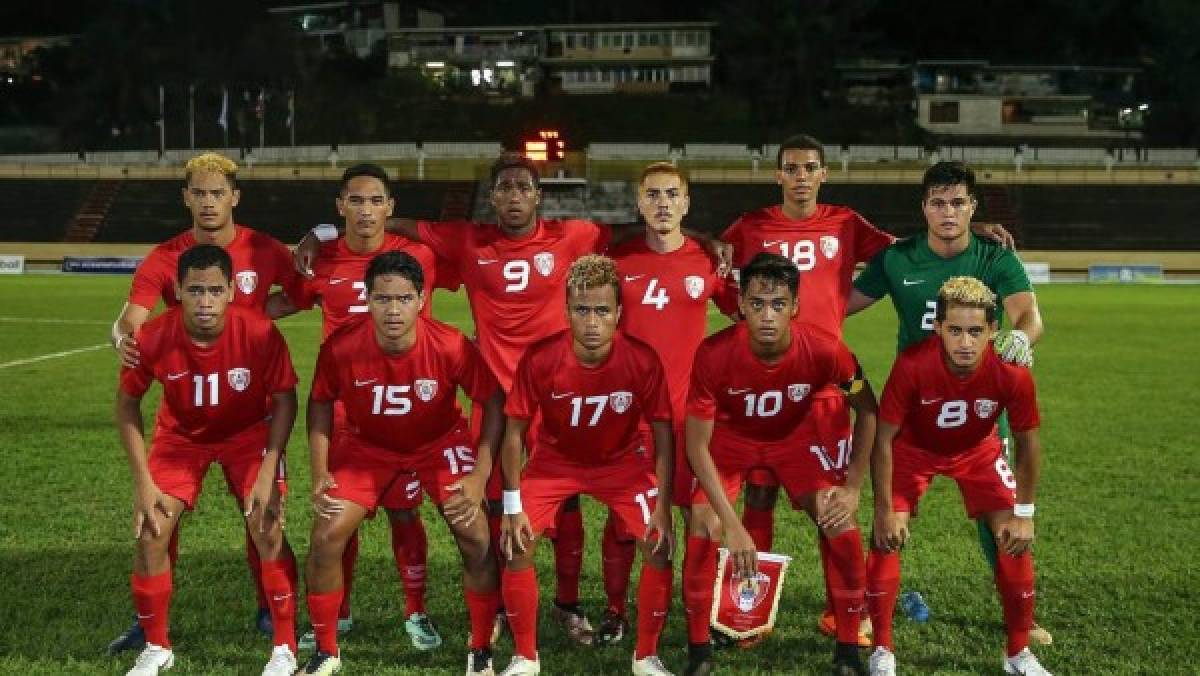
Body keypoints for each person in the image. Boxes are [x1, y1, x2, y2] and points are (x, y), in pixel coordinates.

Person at [295, 153, 729, 643]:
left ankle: (568, 605)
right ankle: (501, 606)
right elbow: (389, 223)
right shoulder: (467, 239)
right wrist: (322, 232)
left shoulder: (574, 235)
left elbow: (642, 227)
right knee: (501, 508)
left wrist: (706, 240)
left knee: (565, 509)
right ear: (493, 196)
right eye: (505, 188)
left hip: (558, 396)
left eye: (524, 187)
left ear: (537, 195)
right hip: (497, 401)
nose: (515, 196)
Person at [720, 135, 1012, 641]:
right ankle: (750, 614)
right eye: (792, 168)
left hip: (826, 382)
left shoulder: (846, 222)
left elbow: (905, 249)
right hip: (762, 375)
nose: (801, 176)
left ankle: (841, 615)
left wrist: (968, 228)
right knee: (760, 492)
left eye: (811, 167)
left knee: (830, 503)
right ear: (778, 175)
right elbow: (718, 266)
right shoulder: (750, 226)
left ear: (824, 174)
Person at [847, 160, 1051, 646]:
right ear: (924, 208)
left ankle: (1020, 615)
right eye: (938, 202)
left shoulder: (993, 255)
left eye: (958, 203)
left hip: (978, 412)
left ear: (973, 207)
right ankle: (874, 610)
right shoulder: (899, 259)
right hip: (911, 413)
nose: (948, 211)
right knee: (888, 514)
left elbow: (1028, 316)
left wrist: (1022, 340)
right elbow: (839, 305)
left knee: (997, 515)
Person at [107, 152, 302, 654]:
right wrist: (125, 335)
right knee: (158, 518)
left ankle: (271, 608)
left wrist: (254, 321)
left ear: (235, 196)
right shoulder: (163, 257)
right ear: (186, 197)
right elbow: (132, 318)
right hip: (185, 409)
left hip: (249, 407)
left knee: (260, 513)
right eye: (199, 192)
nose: (209, 201)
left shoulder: (265, 248)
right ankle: (146, 620)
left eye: (218, 192)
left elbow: (301, 295)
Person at [299, 251, 505, 676]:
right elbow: (319, 402)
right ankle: (325, 650)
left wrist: (480, 473)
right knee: (325, 538)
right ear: (367, 299)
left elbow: (493, 400)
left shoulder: (449, 345)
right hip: (366, 448)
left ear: (421, 298)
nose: (393, 310)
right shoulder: (341, 348)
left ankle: (481, 648)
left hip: (439, 443)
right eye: (382, 299)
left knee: (477, 537)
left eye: (404, 299)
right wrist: (320, 471)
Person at [265, 163, 443, 652]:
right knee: (337, 520)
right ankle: (337, 614)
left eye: (375, 201)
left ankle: (416, 612)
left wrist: (315, 232)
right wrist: (214, 319)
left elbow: (469, 247)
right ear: (340, 206)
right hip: (345, 417)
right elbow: (284, 304)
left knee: (404, 515)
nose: (366, 211)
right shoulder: (320, 262)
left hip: (408, 415)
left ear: (391, 207)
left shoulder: (419, 256)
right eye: (355, 201)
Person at [683, 253, 880, 676]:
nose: (767, 315)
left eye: (777, 304)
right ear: (741, 306)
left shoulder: (826, 351)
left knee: (839, 523)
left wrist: (852, 487)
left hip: (794, 440)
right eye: (757, 304)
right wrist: (731, 525)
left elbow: (868, 410)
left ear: (794, 306)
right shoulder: (714, 354)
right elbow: (697, 445)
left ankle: (848, 650)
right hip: (731, 443)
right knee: (704, 526)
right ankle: (699, 651)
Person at [497, 255, 676, 676]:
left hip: (622, 463)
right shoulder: (541, 359)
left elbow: (664, 436)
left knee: (661, 545)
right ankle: (525, 657)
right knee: (516, 543)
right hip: (555, 462)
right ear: (566, 312)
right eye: (581, 310)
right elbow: (513, 433)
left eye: (601, 311)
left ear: (618, 313)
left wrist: (664, 506)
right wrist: (511, 505)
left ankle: (646, 656)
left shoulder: (642, 360)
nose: (592, 322)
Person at [865, 276, 1052, 676]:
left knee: (1012, 538)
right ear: (938, 329)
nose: (964, 343)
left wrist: (1024, 511)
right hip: (913, 452)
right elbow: (882, 440)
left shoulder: (1012, 372)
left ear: (993, 330)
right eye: (954, 331)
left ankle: (1018, 653)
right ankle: (882, 649)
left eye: (974, 332)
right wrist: (883, 508)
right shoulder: (913, 363)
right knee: (887, 535)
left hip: (978, 451)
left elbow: (1028, 444)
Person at [599, 163, 737, 645]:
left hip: (692, 420)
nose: (662, 203)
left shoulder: (708, 262)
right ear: (639, 204)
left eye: (671, 195)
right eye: (652, 195)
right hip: (632, 419)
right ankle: (616, 611)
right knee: (625, 523)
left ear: (686, 204)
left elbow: (744, 316)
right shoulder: (615, 262)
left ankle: (702, 613)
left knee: (703, 519)